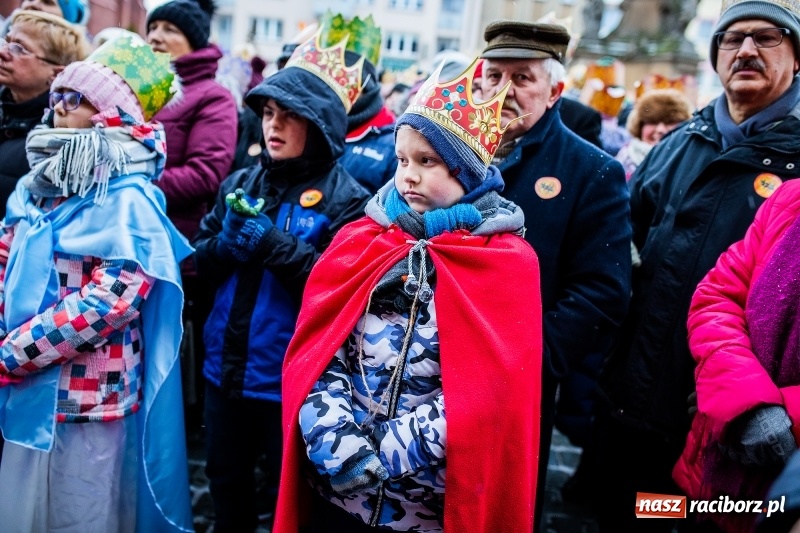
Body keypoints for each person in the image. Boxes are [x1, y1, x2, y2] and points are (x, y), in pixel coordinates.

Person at [274, 57, 542, 533]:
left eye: (427, 162)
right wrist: (337, 442)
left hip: (424, 505)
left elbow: (488, 393)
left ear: (467, 173)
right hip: (336, 494)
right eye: (402, 160)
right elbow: (319, 347)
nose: (408, 176)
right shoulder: (365, 237)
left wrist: (385, 452)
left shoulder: (505, 262)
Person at [595, 0, 800, 530]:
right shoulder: (681, 142)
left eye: (767, 37)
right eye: (732, 39)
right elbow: (627, 247)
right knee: (636, 512)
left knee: (700, 520)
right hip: (639, 400)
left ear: (797, 58)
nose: (747, 50)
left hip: (736, 421)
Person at [0, 32, 193, 532]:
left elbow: (112, 300)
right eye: (57, 96)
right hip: (21, 385)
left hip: (88, 397)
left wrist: (14, 352)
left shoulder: (130, 197)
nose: (60, 107)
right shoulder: (36, 183)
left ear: (111, 115)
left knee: (80, 515)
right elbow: (5, 251)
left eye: (76, 98)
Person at [193, 30, 371, 533]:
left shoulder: (350, 199)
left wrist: (274, 245)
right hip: (225, 372)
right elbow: (199, 267)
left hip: (291, 382)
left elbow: (339, 289)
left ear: (319, 124)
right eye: (269, 113)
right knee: (225, 482)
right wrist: (224, 246)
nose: (274, 124)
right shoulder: (239, 181)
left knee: (288, 498)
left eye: (289, 115)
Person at [478, 20, 632, 529]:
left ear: (555, 90)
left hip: (517, 386)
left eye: (521, 78)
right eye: (492, 75)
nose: (502, 91)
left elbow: (602, 289)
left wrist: (530, 362)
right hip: (430, 369)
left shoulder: (591, 170)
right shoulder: (451, 152)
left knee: (498, 508)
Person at [672, 176, 800, 533]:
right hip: (716, 467)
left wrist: (784, 414)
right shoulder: (791, 198)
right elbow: (718, 295)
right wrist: (746, 399)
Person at [146, 0, 238, 434]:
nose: (156, 36)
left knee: (166, 361)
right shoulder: (142, 87)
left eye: (169, 29)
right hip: (133, 244)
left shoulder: (212, 96)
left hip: (174, 247)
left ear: (194, 41)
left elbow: (206, 174)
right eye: (153, 26)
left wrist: (130, 183)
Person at [0, 10, 89, 219]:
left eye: (20, 49)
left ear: (56, 74)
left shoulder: (56, 139)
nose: (4, 52)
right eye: (7, 41)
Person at [340, 51, 397, 194]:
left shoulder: (395, 143)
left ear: (366, 86)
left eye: (347, 83)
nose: (339, 89)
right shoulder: (315, 126)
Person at [615, 88, 693, 179]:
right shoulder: (622, 160)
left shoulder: (690, 162)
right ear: (639, 125)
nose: (660, 129)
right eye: (652, 121)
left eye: (669, 122)